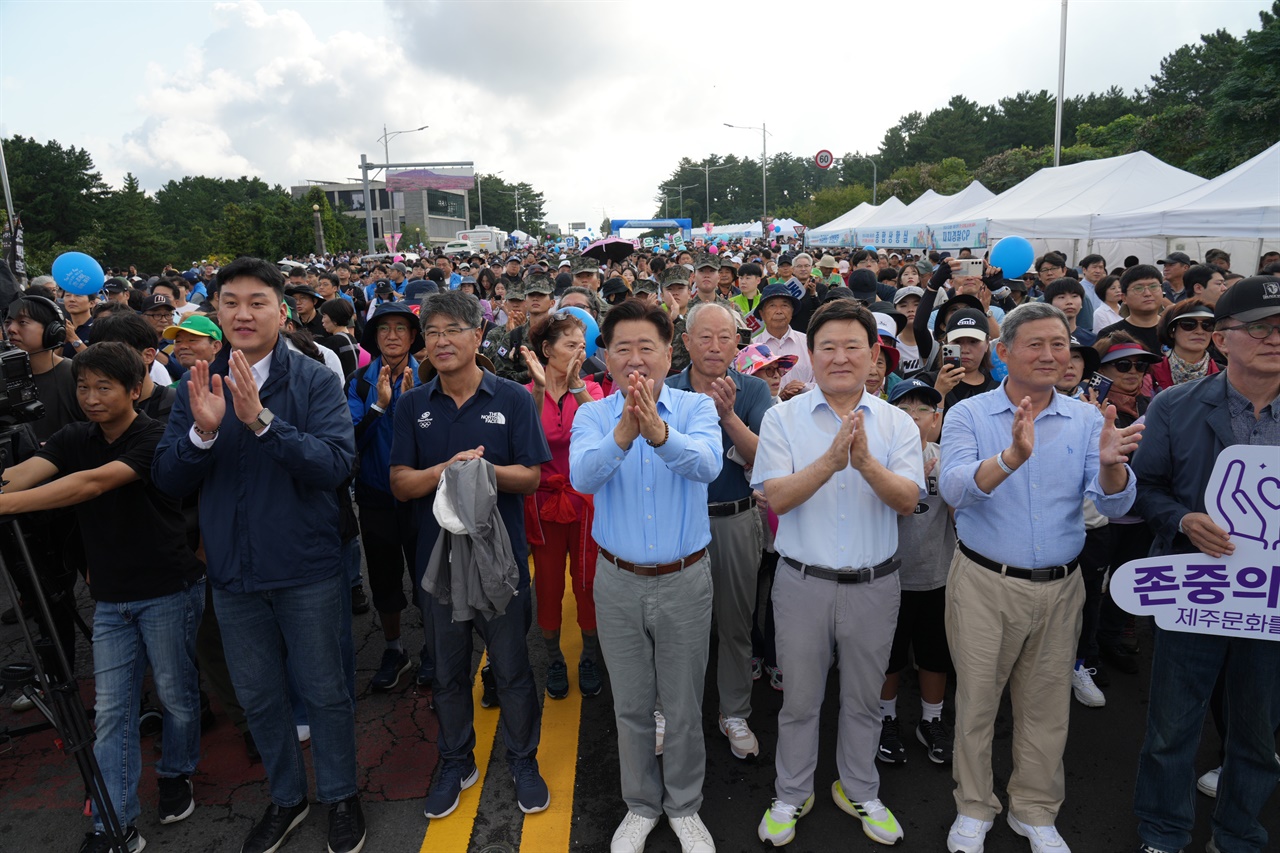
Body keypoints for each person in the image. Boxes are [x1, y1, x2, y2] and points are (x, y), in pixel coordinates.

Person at [153, 257, 364, 853]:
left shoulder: (314, 380)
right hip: (232, 572)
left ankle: (342, 794)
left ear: (281, 310)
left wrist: (263, 423)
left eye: (257, 301)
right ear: (216, 311)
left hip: (307, 567)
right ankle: (287, 798)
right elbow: (167, 479)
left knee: (324, 690)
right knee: (260, 695)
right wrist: (204, 433)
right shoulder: (195, 383)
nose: (243, 313)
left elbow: (333, 466)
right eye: (231, 302)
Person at [938, 301, 1142, 853]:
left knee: (1046, 706)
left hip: (1061, 585)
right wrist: (1009, 458)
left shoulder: (1084, 417)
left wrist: (1111, 464)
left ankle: (1034, 808)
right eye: (1037, 343)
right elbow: (953, 490)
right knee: (978, 702)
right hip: (984, 582)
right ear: (1004, 353)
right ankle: (974, 806)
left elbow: (1116, 501)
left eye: (1060, 344)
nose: (1052, 355)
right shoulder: (969, 414)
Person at [0, 343, 204, 853]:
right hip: (110, 597)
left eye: (104, 387)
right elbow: (25, 474)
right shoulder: (73, 436)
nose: (90, 398)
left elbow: (90, 485)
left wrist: (6, 503)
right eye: (83, 387)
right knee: (113, 711)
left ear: (134, 390)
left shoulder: (155, 436)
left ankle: (176, 772)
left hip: (168, 588)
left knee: (178, 698)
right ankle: (115, 825)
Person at [752, 300, 922, 848]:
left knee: (864, 699)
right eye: (828, 346)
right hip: (802, 582)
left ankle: (860, 788)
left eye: (853, 346)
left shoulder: (896, 422)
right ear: (811, 354)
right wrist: (831, 460)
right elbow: (773, 494)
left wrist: (866, 461)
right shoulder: (782, 418)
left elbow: (907, 500)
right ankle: (791, 791)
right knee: (800, 700)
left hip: (876, 585)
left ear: (875, 355)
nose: (841, 357)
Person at [1131, 275, 1280, 853]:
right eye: (1260, 328)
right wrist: (1181, 520)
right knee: (1172, 727)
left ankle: (1239, 832)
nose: (1274, 339)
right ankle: (1163, 831)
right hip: (1194, 587)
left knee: (1257, 731)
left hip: (1268, 598)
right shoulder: (1175, 406)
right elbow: (1145, 487)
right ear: (1223, 339)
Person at [390, 291, 552, 821]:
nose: (440, 341)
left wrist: (479, 471)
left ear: (478, 336)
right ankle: (456, 759)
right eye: (431, 332)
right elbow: (400, 484)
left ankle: (523, 760)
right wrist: (448, 468)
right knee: (448, 672)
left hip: (499, 563)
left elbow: (531, 477)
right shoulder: (414, 405)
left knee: (512, 670)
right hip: (438, 565)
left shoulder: (512, 398)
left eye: (451, 330)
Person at [569, 298, 722, 853]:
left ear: (668, 352)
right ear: (604, 356)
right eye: (623, 348)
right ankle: (640, 805)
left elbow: (708, 465)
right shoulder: (592, 414)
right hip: (618, 580)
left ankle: (684, 806)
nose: (636, 360)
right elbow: (583, 477)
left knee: (682, 703)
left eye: (647, 348)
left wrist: (658, 433)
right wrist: (625, 434)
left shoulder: (695, 408)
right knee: (631, 703)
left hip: (685, 577)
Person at [667, 302, 773, 761]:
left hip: (734, 518)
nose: (714, 347)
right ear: (685, 341)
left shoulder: (750, 390)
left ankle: (734, 710)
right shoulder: (665, 390)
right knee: (673, 625)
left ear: (737, 344)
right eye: (704, 337)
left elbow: (765, 457)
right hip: (680, 521)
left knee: (735, 622)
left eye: (725, 338)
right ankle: (669, 711)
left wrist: (728, 415)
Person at [518, 312, 604, 700]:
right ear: (547, 351)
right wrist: (540, 390)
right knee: (548, 585)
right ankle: (553, 657)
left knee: (587, 583)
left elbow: (604, 429)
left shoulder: (594, 390)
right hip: (543, 504)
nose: (578, 353)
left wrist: (576, 387)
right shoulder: (524, 393)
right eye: (570, 345)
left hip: (585, 503)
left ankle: (589, 656)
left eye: (582, 346)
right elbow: (526, 443)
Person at [349, 302, 429, 692]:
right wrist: (379, 406)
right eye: (384, 329)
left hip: (420, 497)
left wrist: (412, 405)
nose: (393, 335)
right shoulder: (360, 381)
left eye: (401, 328)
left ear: (414, 338)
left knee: (429, 575)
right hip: (376, 496)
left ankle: (434, 648)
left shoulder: (430, 377)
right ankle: (395, 649)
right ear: (374, 337)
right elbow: (349, 440)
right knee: (383, 577)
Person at [877, 377, 955, 767]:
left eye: (924, 409)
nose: (914, 416)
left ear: (937, 419)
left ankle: (931, 721)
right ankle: (886, 719)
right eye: (904, 409)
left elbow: (961, 517)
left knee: (934, 655)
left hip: (937, 576)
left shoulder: (947, 459)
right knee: (889, 657)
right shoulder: (877, 459)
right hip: (888, 576)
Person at [751, 283, 814, 400]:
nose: (779, 311)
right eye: (772, 306)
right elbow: (748, 389)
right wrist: (777, 397)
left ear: (792, 311)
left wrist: (802, 388)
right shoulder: (753, 347)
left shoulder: (809, 343)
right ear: (762, 314)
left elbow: (822, 382)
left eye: (784, 305)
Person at [1149, 299, 1220, 394]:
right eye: (1188, 325)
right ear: (1172, 331)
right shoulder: (1150, 373)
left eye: (1207, 325)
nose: (1199, 331)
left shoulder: (1227, 375)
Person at [1097, 265, 1165, 355]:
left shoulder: (1175, 329)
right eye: (1138, 288)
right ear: (1124, 298)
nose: (1147, 293)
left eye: (1153, 287)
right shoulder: (1110, 334)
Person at [1044, 277, 1096, 346]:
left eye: (1074, 296)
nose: (1069, 302)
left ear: (1081, 303)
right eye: (1061, 297)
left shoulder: (1092, 340)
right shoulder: (1040, 338)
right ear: (1050, 304)